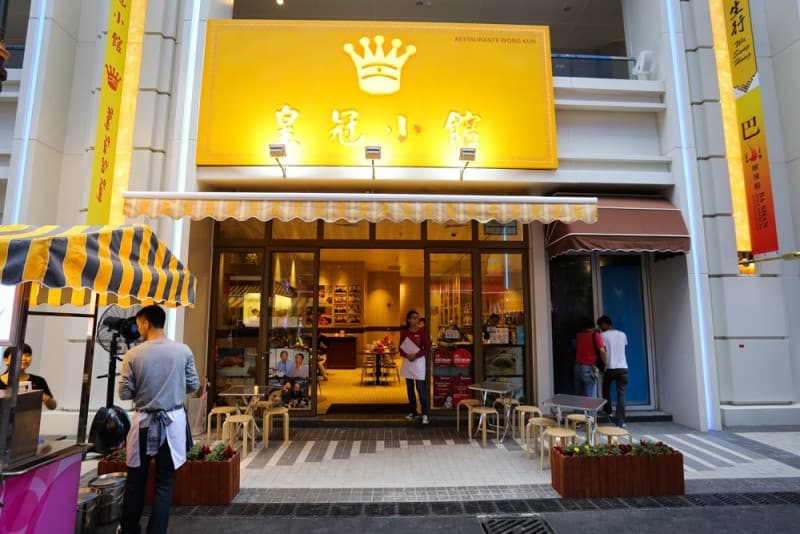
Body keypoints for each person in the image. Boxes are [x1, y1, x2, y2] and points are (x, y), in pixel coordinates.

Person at [117, 305, 199, 534]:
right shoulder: (183, 351)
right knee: (164, 482)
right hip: (172, 423)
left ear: (146, 323)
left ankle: (129, 529)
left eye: (138, 324)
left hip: (144, 422)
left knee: (136, 481)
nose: (138, 329)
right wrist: (173, 390)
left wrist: (144, 391)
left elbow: (124, 392)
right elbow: (193, 384)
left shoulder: (134, 354)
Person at [0, 344, 58, 409]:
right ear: (6, 360)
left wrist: (46, 398)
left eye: (27, 355)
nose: (24, 358)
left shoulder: (38, 381)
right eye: (18, 355)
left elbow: (53, 406)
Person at [399, 310, 431, 425]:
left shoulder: (422, 332)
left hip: (418, 363)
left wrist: (416, 355)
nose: (416, 320)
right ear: (408, 320)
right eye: (413, 318)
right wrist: (407, 355)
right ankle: (413, 412)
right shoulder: (404, 332)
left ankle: (425, 413)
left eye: (417, 318)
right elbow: (400, 348)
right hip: (408, 362)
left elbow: (426, 348)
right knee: (410, 389)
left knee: (420, 389)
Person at [597, 315, 629, 428]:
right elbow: (623, 348)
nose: (600, 328)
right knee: (621, 394)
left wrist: (603, 365)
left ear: (604, 324)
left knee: (606, 388)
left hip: (610, 367)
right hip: (623, 368)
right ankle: (620, 421)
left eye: (600, 326)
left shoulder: (602, 336)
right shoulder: (622, 334)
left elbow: (602, 351)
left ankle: (608, 410)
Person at [573, 319, 606, 398]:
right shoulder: (595, 335)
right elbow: (602, 351)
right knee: (590, 395)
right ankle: (590, 407)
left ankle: (579, 407)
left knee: (579, 396)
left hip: (577, 367)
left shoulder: (578, 336)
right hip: (588, 368)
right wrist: (605, 363)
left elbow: (575, 347)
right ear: (593, 326)